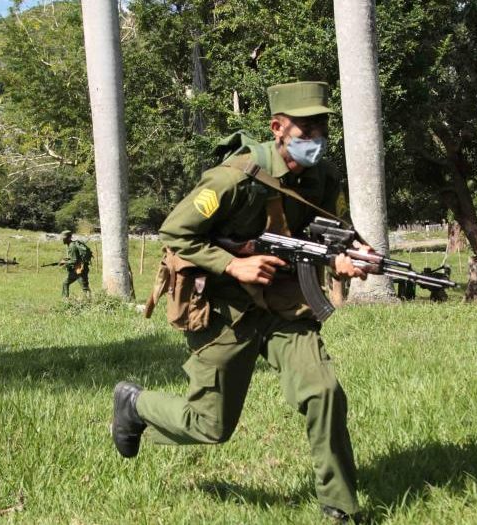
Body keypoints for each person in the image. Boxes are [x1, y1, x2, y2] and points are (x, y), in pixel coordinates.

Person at [112, 82, 367, 523]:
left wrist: (348, 256)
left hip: (286, 302)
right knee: (210, 427)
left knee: (324, 391)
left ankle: (340, 507)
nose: (316, 137)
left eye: (322, 126)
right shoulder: (234, 177)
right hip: (224, 308)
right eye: (306, 128)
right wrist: (233, 265)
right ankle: (135, 404)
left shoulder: (323, 178)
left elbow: (327, 230)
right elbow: (175, 233)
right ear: (278, 127)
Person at [59, 230, 91, 299]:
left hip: (80, 270)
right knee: (65, 283)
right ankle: (65, 300)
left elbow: (74, 260)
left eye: (64, 238)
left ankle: (89, 302)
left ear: (69, 238)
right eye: (62, 238)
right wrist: (66, 260)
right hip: (76, 270)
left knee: (85, 288)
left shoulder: (72, 246)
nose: (63, 240)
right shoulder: (70, 245)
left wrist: (64, 262)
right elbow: (74, 258)